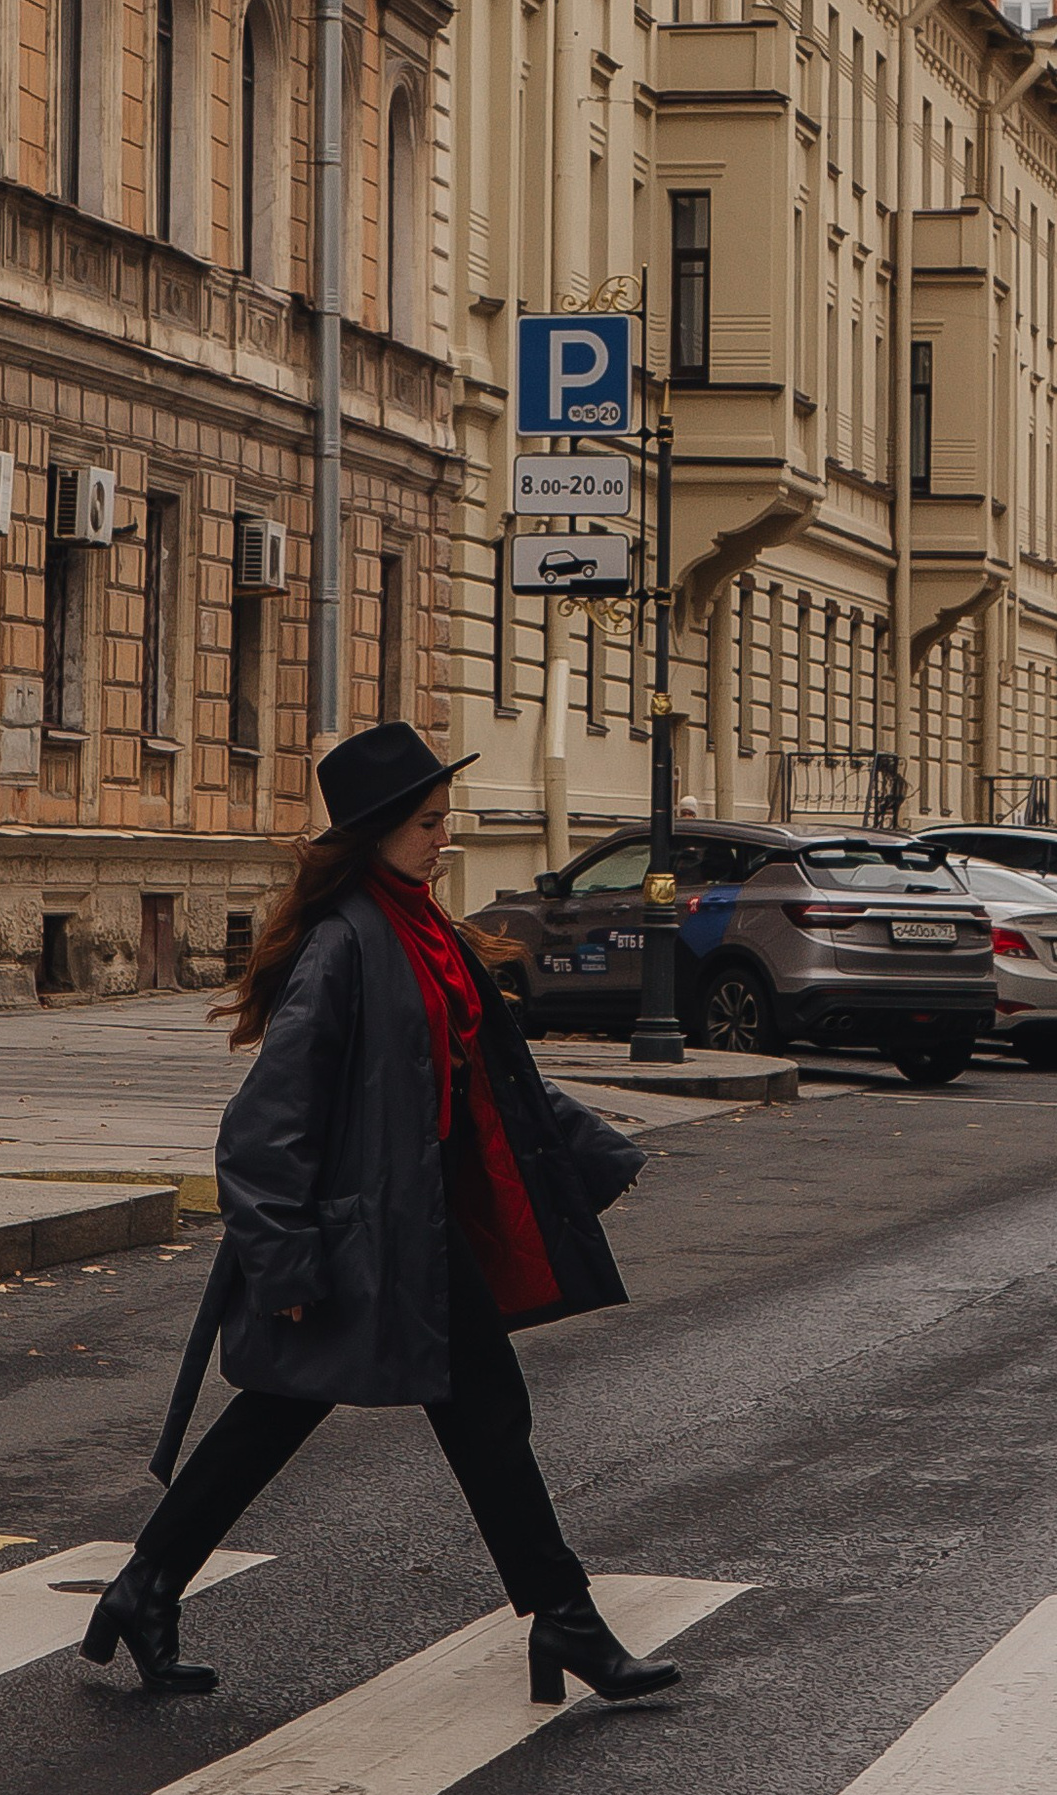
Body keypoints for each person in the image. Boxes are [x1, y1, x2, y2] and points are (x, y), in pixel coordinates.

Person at [84, 721, 679, 1710]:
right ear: (372, 836)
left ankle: (146, 1589)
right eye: (427, 824)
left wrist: (585, 1154)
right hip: (362, 1238)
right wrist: (284, 1261)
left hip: (414, 1229)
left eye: (445, 821)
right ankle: (562, 1620)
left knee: (448, 1415)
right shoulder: (345, 944)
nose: (443, 840)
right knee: (334, 1413)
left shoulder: (423, 931)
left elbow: (486, 1078)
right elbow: (263, 1126)